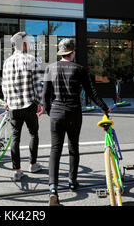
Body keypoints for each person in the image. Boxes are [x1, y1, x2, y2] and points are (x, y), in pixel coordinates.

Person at [42, 38, 110, 206]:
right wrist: (104, 107)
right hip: (74, 113)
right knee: (73, 147)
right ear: (72, 52)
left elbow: (45, 96)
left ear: (61, 53)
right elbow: (92, 92)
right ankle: (72, 182)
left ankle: (53, 190)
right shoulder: (80, 69)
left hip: (56, 113)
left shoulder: (50, 68)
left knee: (55, 150)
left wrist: (51, 113)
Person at [2, 31, 44, 181]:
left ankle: (16, 171)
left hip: (13, 106)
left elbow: (4, 85)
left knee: (15, 138)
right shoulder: (31, 60)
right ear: (24, 44)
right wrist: (40, 103)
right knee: (33, 134)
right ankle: (33, 164)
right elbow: (37, 85)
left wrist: (6, 100)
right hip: (29, 104)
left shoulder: (6, 62)